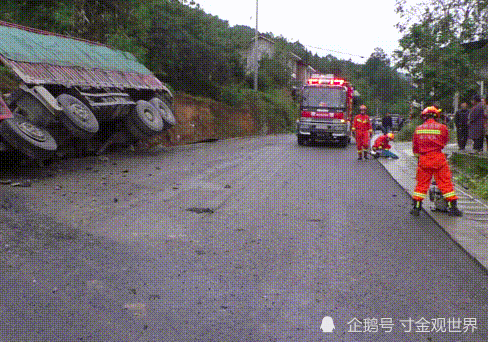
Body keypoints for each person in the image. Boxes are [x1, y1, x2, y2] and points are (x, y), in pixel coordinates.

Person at [410, 106, 462, 217]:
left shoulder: (418, 129)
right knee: (446, 183)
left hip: (424, 159)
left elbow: (415, 146)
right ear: (436, 115)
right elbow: (444, 142)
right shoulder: (442, 127)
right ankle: (453, 208)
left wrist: (419, 156)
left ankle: (416, 207)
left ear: (424, 116)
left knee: (421, 185)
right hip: (438, 159)